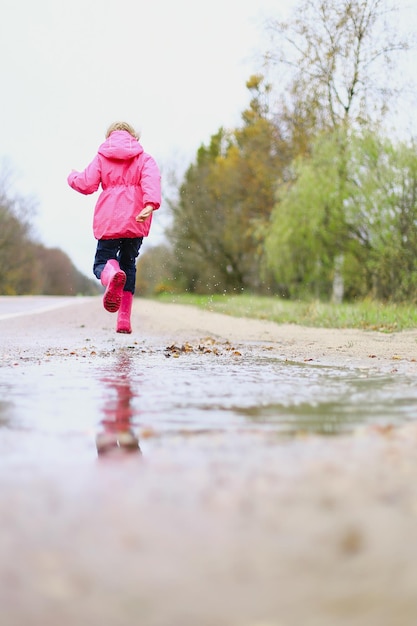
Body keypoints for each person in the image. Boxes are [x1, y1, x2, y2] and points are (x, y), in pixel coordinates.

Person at [67, 121, 161, 333]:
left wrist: (72, 176)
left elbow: (86, 183)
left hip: (109, 218)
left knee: (102, 262)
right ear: (134, 137)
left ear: (109, 137)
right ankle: (124, 321)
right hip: (136, 219)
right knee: (129, 264)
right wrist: (149, 205)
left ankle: (111, 276)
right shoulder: (145, 158)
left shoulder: (102, 156)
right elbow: (152, 182)